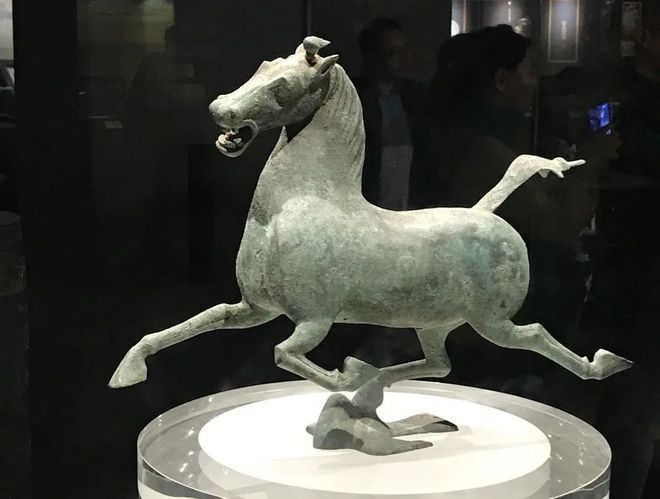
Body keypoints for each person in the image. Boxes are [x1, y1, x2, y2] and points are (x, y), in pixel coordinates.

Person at [355, 17, 426, 210]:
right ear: (373, 57)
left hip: (409, 207)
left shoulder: (415, 97)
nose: (404, 59)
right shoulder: (356, 99)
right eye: (393, 53)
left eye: (404, 51)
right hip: (368, 207)